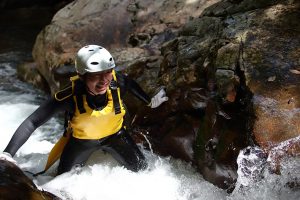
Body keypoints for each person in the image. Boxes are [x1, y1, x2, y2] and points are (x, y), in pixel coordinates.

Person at [0, 45, 168, 175]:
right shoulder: (69, 96)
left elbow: (133, 86)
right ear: (82, 76)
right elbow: (32, 122)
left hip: (116, 136)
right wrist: (8, 154)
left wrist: (151, 102)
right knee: (60, 183)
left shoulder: (118, 82)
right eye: (96, 75)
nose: (103, 81)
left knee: (144, 172)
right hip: (81, 143)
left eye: (107, 72)